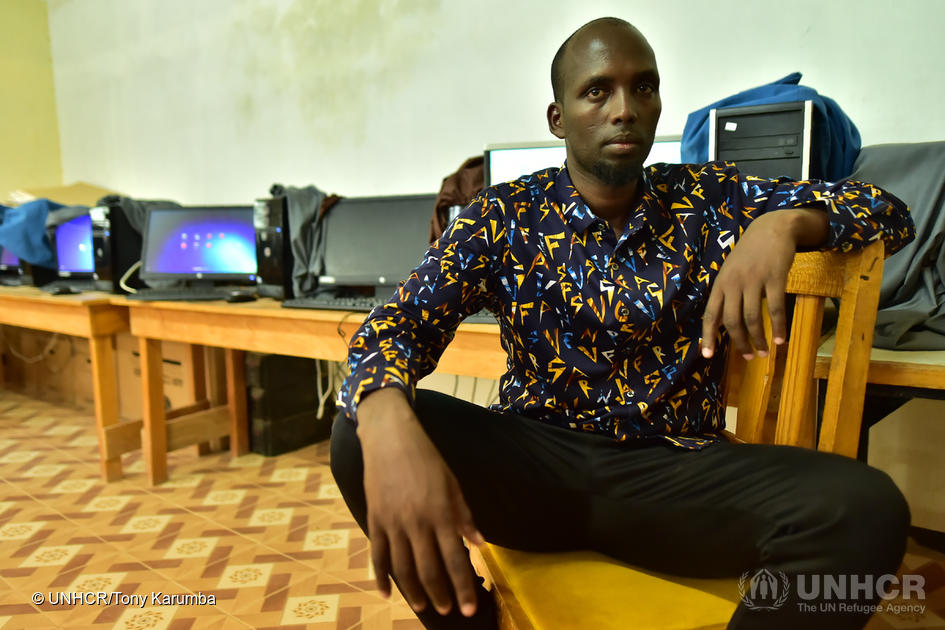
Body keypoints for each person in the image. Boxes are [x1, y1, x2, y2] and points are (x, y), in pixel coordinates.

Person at [330, 17, 915, 630]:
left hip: (673, 475)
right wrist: (387, 416)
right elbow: (397, 324)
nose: (625, 109)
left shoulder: (709, 197)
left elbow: (889, 212)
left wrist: (786, 223)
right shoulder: (502, 216)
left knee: (866, 508)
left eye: (644, 87)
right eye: (597, 91)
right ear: (558, 119)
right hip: (536, 472)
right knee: (358, 432)